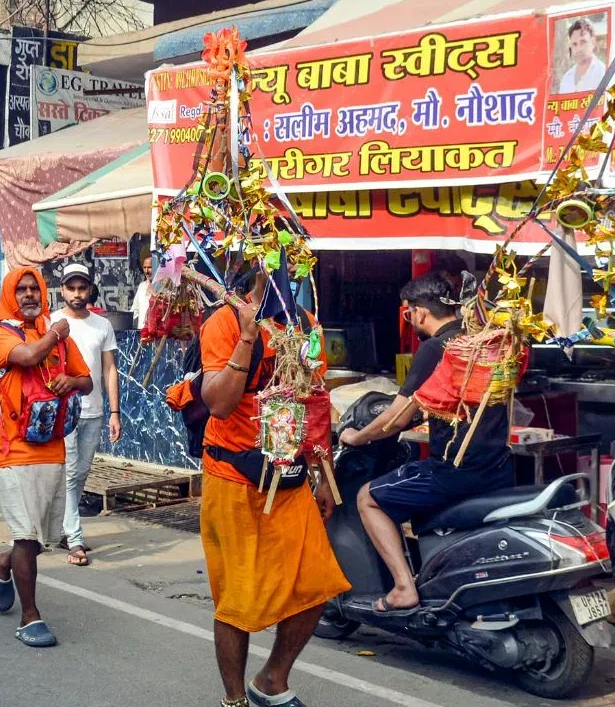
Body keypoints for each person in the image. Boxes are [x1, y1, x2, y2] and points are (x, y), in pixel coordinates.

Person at [198, 261, 348, 707]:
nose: (283, 277)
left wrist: (324, 475)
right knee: (239, 600)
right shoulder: (223, 322)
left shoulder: (305, 326)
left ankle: (271, 680)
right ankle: (233, 700)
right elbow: (219, 404)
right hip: (233, 477)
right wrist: (247, 335)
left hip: (289, 478)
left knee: (318, 585)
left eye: (287, 267)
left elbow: (315, 404)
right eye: (268, 270)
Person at [340, 273, 515, 613]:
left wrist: (356, 436)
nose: (410, 319)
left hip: (455, 470)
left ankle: (404, 588)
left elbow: (396, 418)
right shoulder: (477, 342)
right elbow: (445, 402)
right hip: (496, 465)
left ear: (419, 313)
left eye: (408, 313)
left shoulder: (437, 349)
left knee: (368, 498)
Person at [0, 267, 92, 647]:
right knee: (27, 538)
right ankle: (30, 616)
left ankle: (1, 563)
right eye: (22, 289)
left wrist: (71, 382)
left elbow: (87, 380)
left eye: (34, 288)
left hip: (52, 446)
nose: (29, 295)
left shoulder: (57, 336)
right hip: (10, 450)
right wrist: (54, 333)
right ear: (11, 294)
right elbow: (27, 357)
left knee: (38, 538)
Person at [50, 262, 121, 567]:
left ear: (91, 289)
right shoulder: (51, 323)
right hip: (63, 409)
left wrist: (114, 412)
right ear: (62, 290)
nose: (77, 294)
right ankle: (75, 538)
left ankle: (63, 527)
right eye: (71, 288)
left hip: (93, 410)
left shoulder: (102, 325)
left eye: (82, 288)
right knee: (68, 473)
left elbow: (109, 369)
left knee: (80, 472)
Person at [558, 17, 606, 93]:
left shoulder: (603, 73)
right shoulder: (566, 79)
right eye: (574, 44)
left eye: (583, 42)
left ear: (593, 42)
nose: (578, 48)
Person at [132, 255, 152, 330]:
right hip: (142, 331)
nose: (146, 271)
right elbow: (135, 310)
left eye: (149, 267)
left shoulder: (162, 287)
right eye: (144, 267)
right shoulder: (142, 286)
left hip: (157, 334)